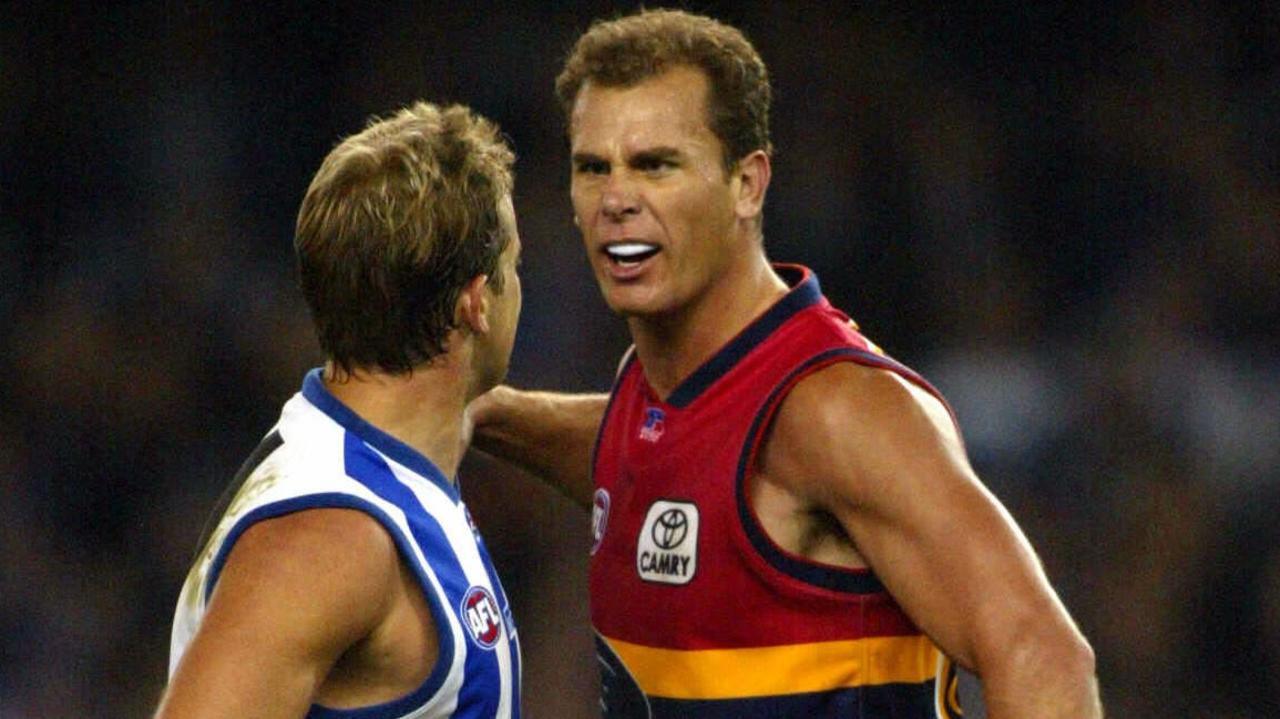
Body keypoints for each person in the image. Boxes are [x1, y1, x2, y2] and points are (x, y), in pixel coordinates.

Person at [470, 9, 1100, 719]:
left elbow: (1041, 652)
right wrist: (479, 415)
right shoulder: (660, 389)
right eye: (594, 168)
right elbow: (661, 457)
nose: (617, 199)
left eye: (656, 164)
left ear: (747, 183)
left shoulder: (837, 407)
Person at [157, 101, 524, 719]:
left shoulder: (384, 458)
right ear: (476, 303)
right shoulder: (332, 535)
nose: (521, 285)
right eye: (515, 266)